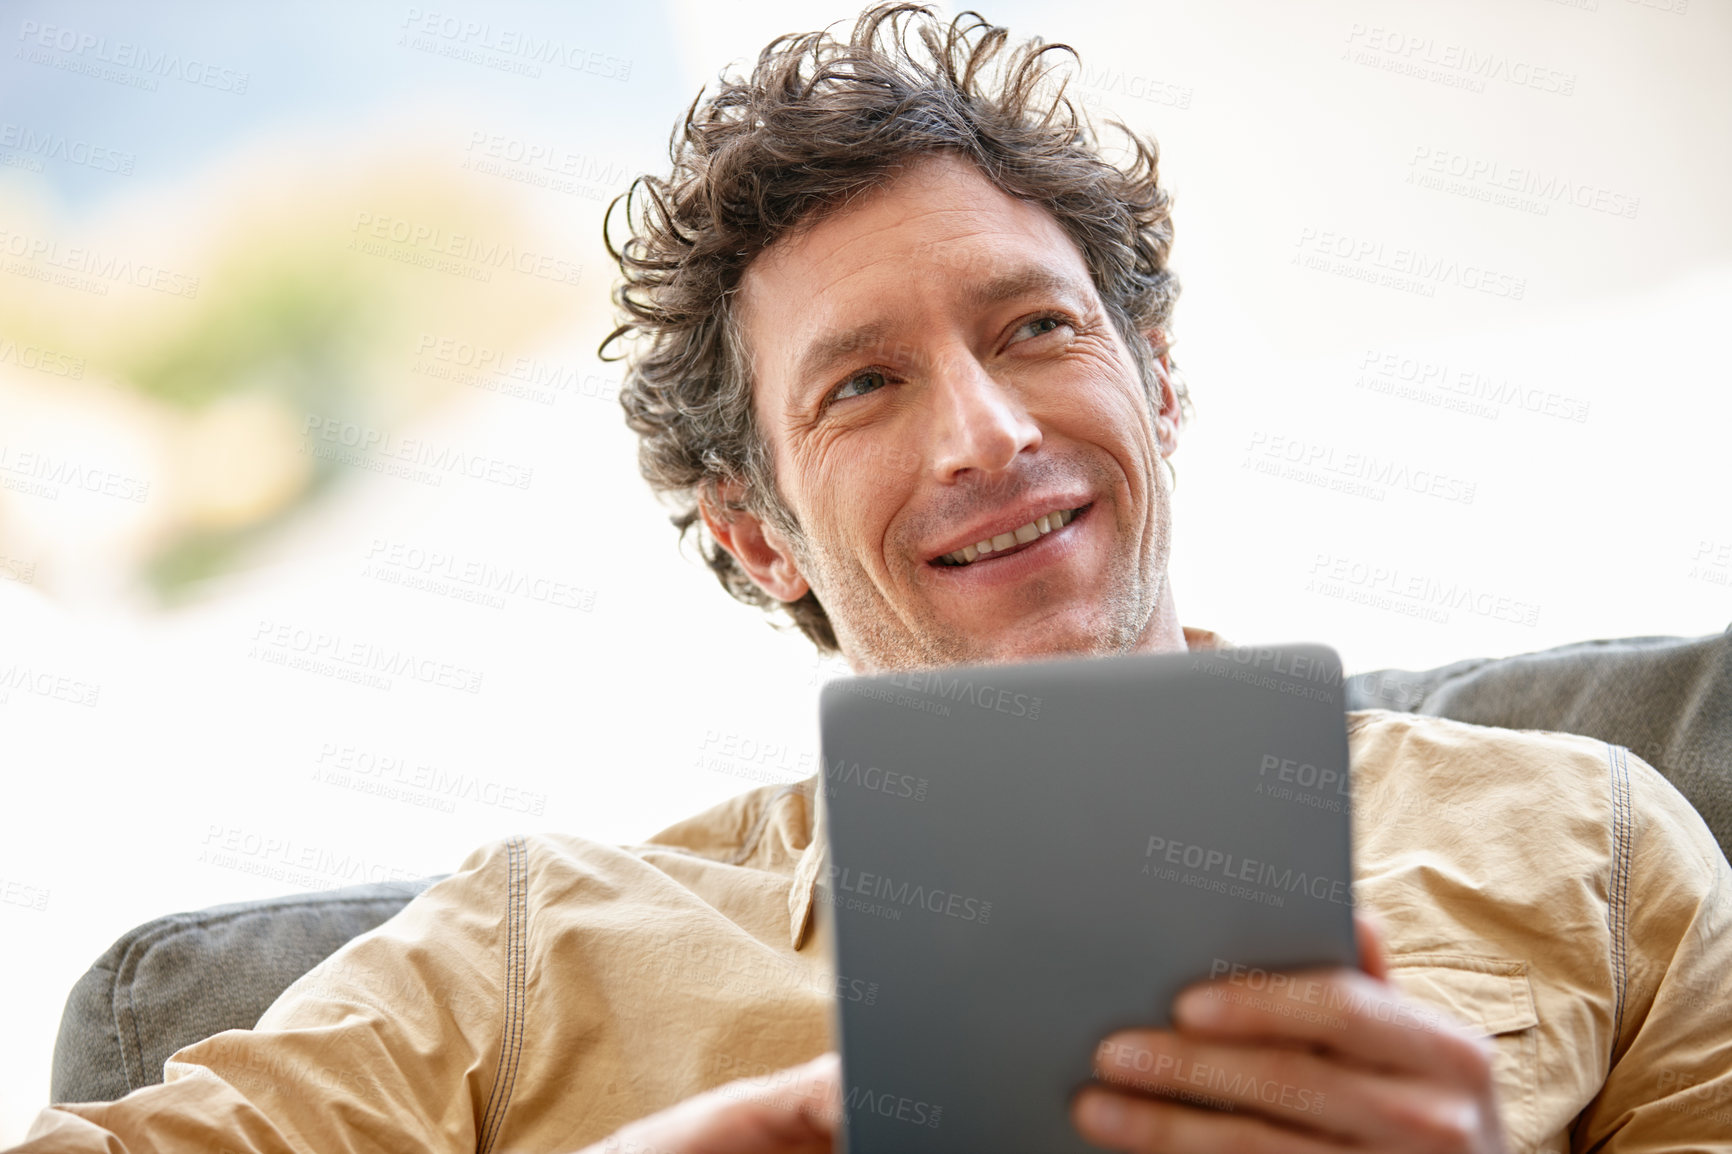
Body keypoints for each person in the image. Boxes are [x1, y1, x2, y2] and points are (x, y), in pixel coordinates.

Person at [15, 5, 1731, 1153]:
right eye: (862, 384)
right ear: (758, 534)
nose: (985, 432)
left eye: (1036, 330)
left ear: (1161, 386)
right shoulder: (519, 956)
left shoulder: (1588, 840)